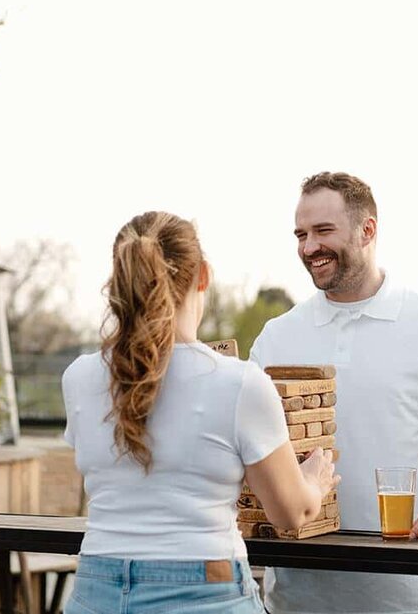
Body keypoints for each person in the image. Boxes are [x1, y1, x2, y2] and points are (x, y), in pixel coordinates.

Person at [62, 211, 339, 614]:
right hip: (206, 592)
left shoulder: (79, 377)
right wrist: (313, 482)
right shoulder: (239, 383)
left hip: (96, 591)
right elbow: (290, 513)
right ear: (203, 276)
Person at [250, 173, 418, 614]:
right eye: (301, 234)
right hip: (296, 599)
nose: (309, 247)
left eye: (323, 231)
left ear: (368, 230)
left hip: (412, 596)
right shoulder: (276, 337)